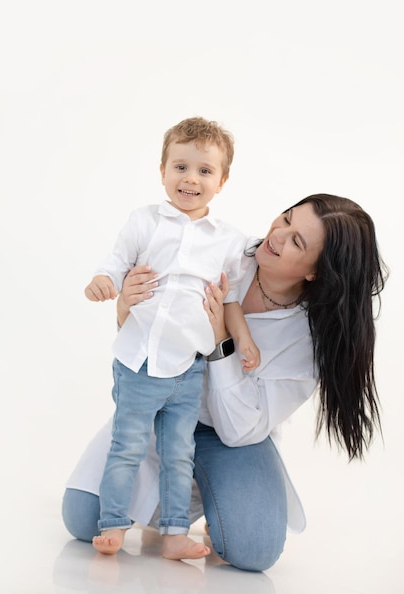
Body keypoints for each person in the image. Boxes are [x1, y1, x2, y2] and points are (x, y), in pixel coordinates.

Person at [64, 193, 387, 571]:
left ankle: (201, 499)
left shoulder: (310, 340)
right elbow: (152, 334)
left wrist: (221, 340)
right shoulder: (223, 252)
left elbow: (239, 429)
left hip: (230, 436)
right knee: (84, 519)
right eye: (286, 218)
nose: (278, 235)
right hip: (161, 406)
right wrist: (124, 307)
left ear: (317, 270)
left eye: (297, 241)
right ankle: (176, 504)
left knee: (253, 549)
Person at [83, 117, 260, 559]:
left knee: (178, 454)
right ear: (162, 170)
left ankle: (175, 533)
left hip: (189, 368)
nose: (190, 179)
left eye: (204, 171)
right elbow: (116, 262)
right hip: (140, 361)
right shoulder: (145, 222)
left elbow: (232, 300)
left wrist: (244, 340)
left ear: (222, 181)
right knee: (128, 447)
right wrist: (104, 283)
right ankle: (115, 526)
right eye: (180, 166)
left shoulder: (229, 240)